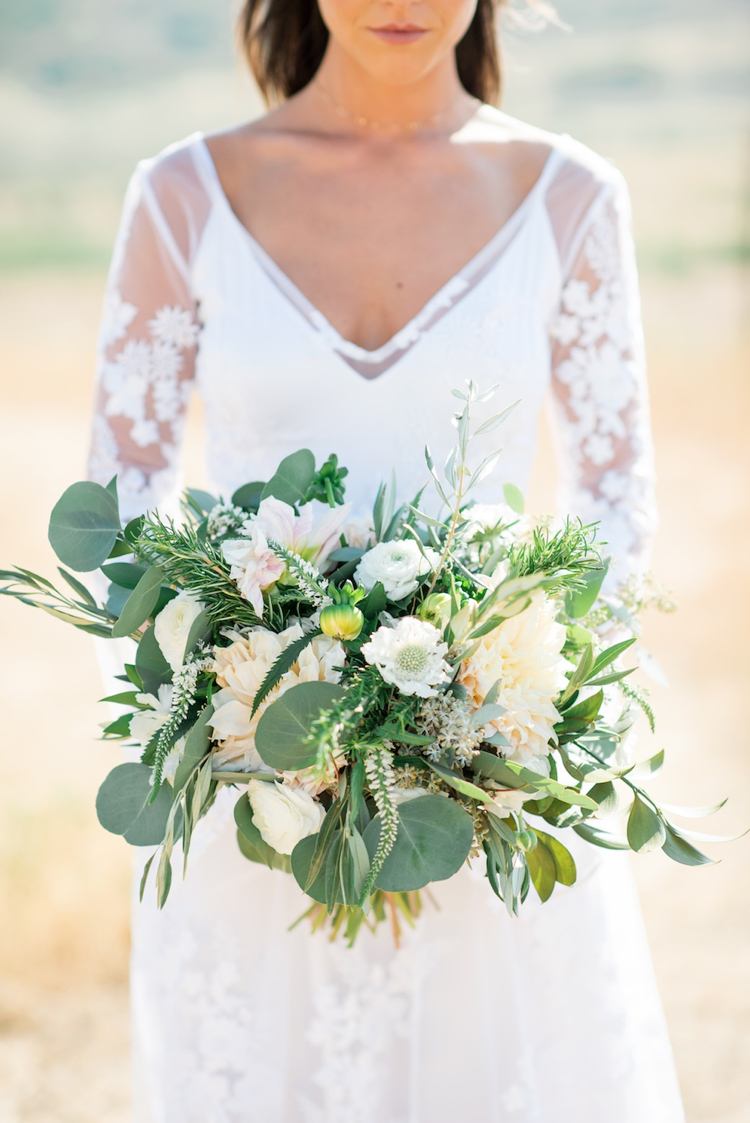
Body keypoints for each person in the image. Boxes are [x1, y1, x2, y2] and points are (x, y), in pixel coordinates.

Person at [85, 2, 686, 1119]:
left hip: (492, 800)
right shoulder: (184, 196)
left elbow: (613, 497)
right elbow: (122, 495)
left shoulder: (567, 195)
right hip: (250, 804)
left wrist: (507, 709)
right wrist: (233, 690)